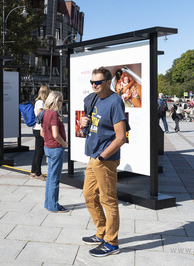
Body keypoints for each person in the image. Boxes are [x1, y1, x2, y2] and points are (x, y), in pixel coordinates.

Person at [80, 67, 127, 257]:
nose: (93, 85)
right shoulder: (91, 99)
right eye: (92, 82)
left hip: (105, 158)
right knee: (89, 195)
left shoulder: (115, 102)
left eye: (97, 82)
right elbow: (90, 127)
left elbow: (121, 137)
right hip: (93, 155)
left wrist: (102, 157)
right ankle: (101, 233)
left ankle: (111, 242)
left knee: (108, 200)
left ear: (108, 82)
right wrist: (84, 125)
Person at [39, 91, 68, 213]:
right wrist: (64, 143)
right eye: (61, 101)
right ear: (56, 101)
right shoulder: (53, 115)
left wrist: (48, 141)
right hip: (56, 148)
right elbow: (56, 134)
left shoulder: (44, 113)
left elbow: (42, 132)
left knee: (50, 177)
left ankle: (48, 203)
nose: (61, 104)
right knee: (54, 178)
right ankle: (54, 206)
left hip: (48, 147)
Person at [30, 85, 51, 181]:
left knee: (37, 151)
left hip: (38, 129)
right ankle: (38, 173)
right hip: (40, 129)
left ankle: (33, 171)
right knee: (40, 152)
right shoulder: (40, 102)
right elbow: (40, 116)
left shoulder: (40, 102)